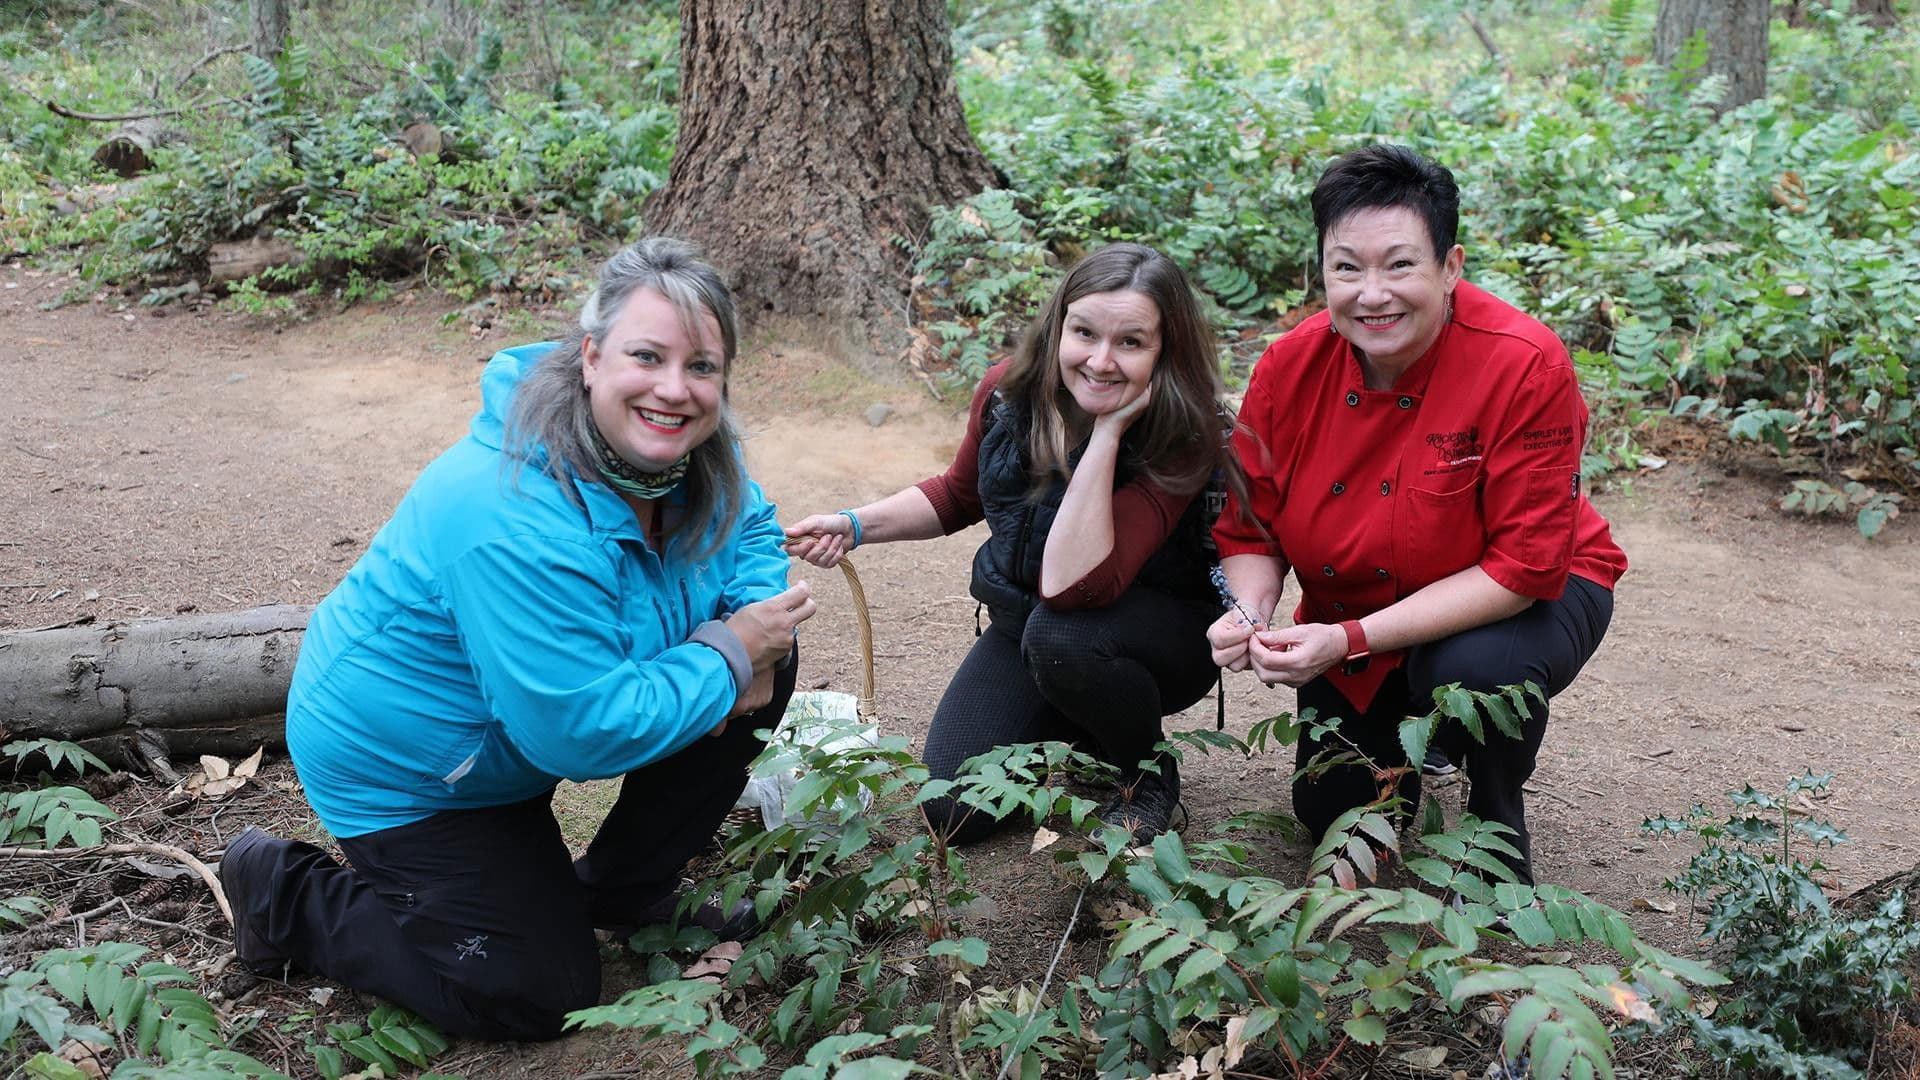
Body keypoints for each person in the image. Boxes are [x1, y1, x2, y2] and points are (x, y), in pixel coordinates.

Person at [218, 238, 816, 1041]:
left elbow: (751, 529)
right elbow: (578, 731)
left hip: (517, 732)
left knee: (769, 656)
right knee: (536, 991)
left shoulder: (690, 445)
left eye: (702, 367)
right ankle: (286, 892)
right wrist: (727, 652)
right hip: (418, 772)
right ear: (591, 356)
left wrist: (749, 636)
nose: (675, 389)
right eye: (648, 356)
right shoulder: (507, 512)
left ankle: (624, 888)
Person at [1206, 145, 1627, 886]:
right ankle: (1410, 737)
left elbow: (1523, 570)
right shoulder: (1288, 367)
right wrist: (1249, 612)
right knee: (1329, 806)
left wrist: (1346, 641)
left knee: (1476, 674)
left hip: (1525, 600)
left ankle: (1494, 818)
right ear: (1322, 273)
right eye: (1347, 268)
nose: (1373, 294)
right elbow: (1252, 529)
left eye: (1400, 265)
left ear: (1451, 267)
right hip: (1353, 619)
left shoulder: (1525, 363)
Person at [785, 243, 1241, 845]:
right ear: (1059, 327)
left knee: (1063, 633)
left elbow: (1077, 587)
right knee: (952, 809)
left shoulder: (1183, 431)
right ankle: (1079, 724)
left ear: (1165, 351)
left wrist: (1106, 432)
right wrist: (855, 524)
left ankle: (1144, 774)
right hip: (1031, 628)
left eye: (1130, 342)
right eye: (1084, 333)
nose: (1101, 361)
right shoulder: (1009, 393)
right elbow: (957, 494)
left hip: (1153, 640)